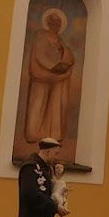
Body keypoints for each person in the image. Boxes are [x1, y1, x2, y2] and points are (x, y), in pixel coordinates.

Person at [24, 8, 76, 145]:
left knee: (55, 103)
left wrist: (64, 62)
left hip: (57, 76)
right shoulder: (40, 35)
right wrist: (53, 66)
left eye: (58, 21)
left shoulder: (61, 40)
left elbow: (69, 56)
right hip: (41, 75)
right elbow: (40, 54)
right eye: (53, 20)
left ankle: (53, 134)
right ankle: (34, 133)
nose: (55, 23)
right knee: (38, 103)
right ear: (47, 22)